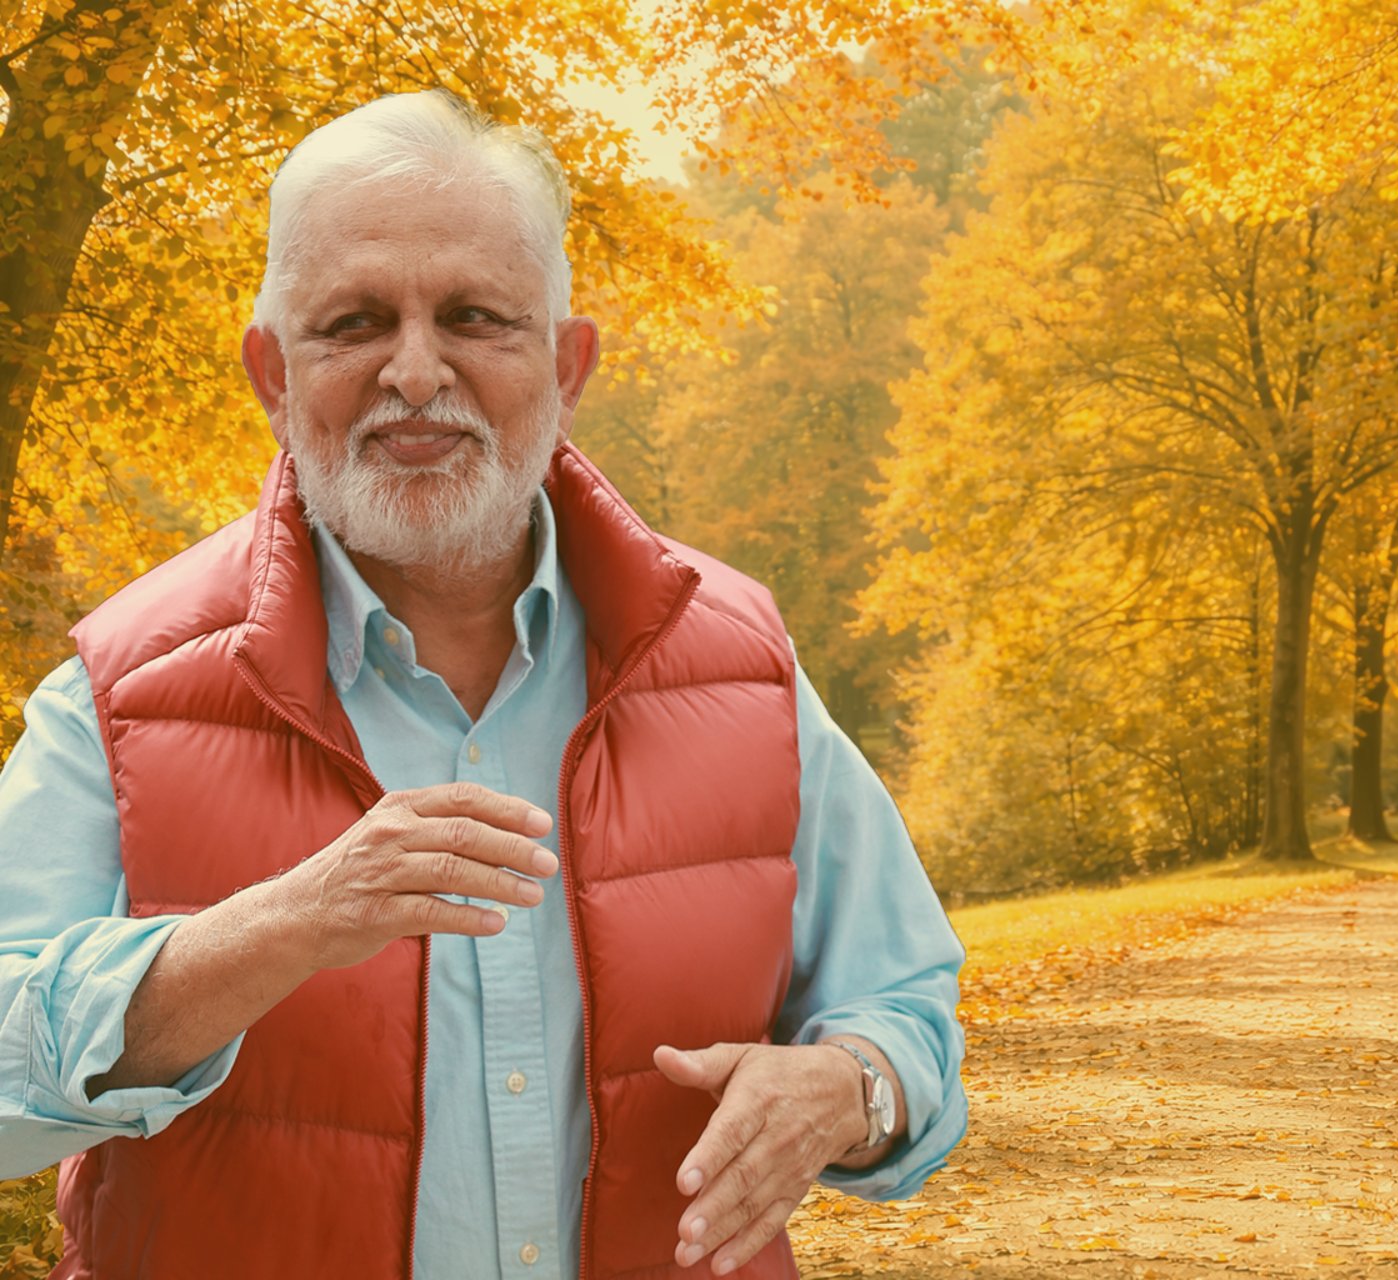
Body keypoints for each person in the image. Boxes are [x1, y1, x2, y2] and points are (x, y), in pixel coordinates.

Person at [0, 89, 966, 1280]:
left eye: (475, 317)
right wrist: (275, 928)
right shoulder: (121, 689)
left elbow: (907, 1007)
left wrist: (850, 1086)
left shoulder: (739, 660)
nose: (415, 370)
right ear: (271, 372)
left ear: (566, 365)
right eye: (353, 322)